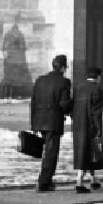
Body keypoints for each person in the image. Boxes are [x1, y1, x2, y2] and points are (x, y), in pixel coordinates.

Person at [29, 54, 73, 193]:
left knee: (46, 152)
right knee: (51, 153)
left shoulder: (40, 80)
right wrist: (71, 109)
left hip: (40, 120)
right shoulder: (64, 82)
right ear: (62, 68)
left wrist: (33, 124)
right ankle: (44, 182)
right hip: (53, 122)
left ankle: (45, 180)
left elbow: (33, 102)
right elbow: (64, 104)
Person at [71, 65, 103, 194]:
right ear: (98, 77)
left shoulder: (78, 88)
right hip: (91, 125)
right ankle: (79, 181)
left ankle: (93, 179)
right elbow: (97, 112)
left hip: (79, 125)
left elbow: (72, 107)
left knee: (82, 152)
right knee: (94, 152)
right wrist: (98, 129)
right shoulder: (98, 89)